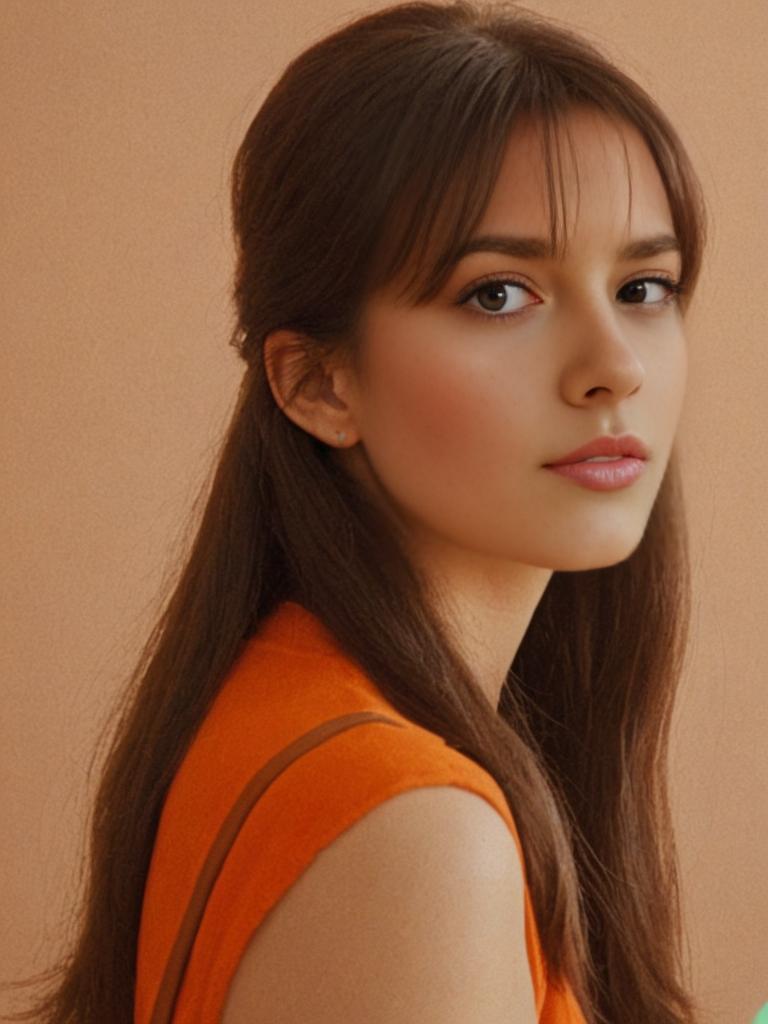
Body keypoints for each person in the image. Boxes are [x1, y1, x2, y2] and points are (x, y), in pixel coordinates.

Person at [3, 2, 708, 1022]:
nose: (614, 367)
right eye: (499, 295)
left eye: (645, 285)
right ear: (318, 385)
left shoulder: (298, 702)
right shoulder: (414, 834)